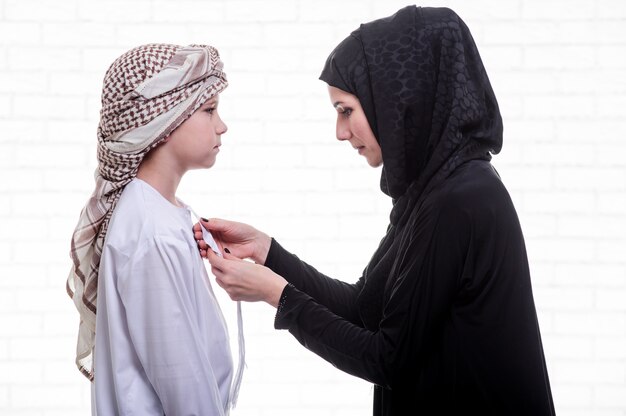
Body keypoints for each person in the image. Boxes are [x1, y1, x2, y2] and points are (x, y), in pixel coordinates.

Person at [194, 6, 555, 416]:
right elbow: (366, 309)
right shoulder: (432, 191)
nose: (340, 132)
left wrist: (276, 295)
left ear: (397, 99)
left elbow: (387, 358)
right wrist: (267, 252)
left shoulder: (460, 201)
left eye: (346, 110)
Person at [66, 43, 244, 415]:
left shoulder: (156, 213)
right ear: (162, 123)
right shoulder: (152, 231)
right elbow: (183, 385)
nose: (222, 125)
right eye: (209, 110)